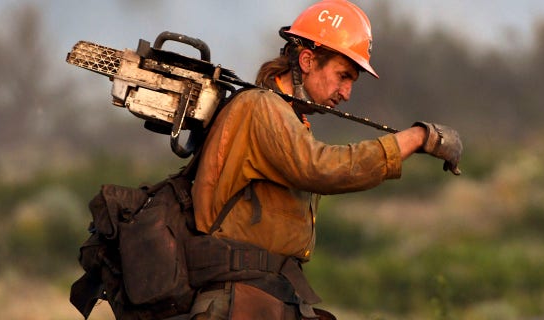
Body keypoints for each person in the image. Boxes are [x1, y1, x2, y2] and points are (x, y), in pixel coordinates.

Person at [188, 0, 462, 319]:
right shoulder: (261, 108)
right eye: (342, 76)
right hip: (238, 301)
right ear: (307, 60)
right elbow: (320, 167)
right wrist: (416, 138)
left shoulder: (287, 117)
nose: (346, 93)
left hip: (263, 296)